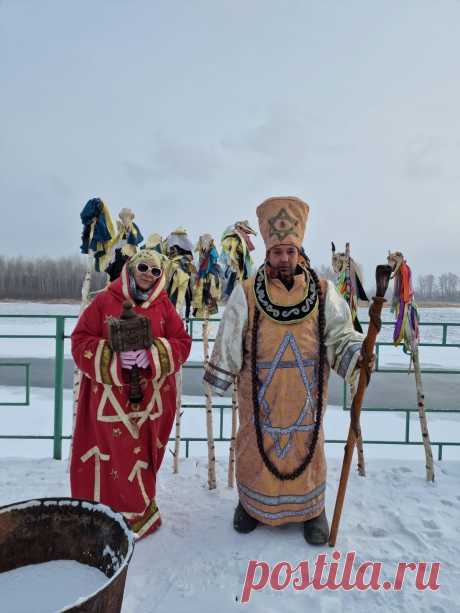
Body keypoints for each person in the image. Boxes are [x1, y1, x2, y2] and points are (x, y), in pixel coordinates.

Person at [204, 196, 369, 545]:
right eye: (278, 252)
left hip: (305, 402)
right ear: (267, 254)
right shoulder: (247, 294)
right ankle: (251, 505)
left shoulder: (324, 292)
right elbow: (230, 334)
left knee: (308, 446)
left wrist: (358, 354)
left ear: (299, 253)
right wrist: (221, 371)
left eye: (290, 252)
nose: (284, 259)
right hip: (259, 400)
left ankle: (311, 510)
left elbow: (340, 333)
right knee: (253, 444)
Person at [70, 249, 192, 539]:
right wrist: (112, 358)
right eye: (143, 267)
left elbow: (182, 342)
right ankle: (101, 514)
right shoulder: (103, 301)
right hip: (109, 399)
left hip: (151, 402)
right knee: (110, 456)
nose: (148, 274)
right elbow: (80, 341)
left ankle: (138, 512)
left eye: (156, 271)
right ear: (131, 267)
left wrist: (154, 354)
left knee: (141, 460)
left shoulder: (165, 306)